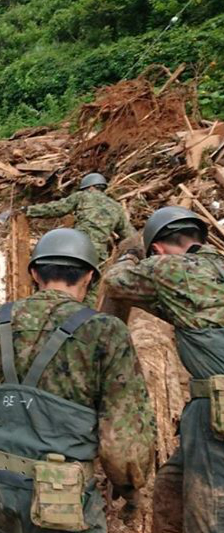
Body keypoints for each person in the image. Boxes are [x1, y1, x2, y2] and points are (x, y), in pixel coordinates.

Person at [0, 228, 155, 533]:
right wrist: (130, 489)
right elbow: (121, 439)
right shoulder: (105, 331)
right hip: (64, 501)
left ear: (34, 273)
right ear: (88, 276)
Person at [104, 206, 224, 533]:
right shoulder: (217, 268)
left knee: (210, 515)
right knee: (171, 487)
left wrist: (129, 255)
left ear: (155, 250)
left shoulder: (170, 269)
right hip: (207, 410)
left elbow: (115, 282)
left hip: (216, 408)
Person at [25, 173, 134, 304]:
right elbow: (129, 236)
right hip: (99, 254)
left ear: (89, 187)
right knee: (92, 292)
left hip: (78, 249)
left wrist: (28, 210)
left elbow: (57, 208)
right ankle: (86, 318)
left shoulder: (83, 196)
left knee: (64, 283)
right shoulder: (116, 207)